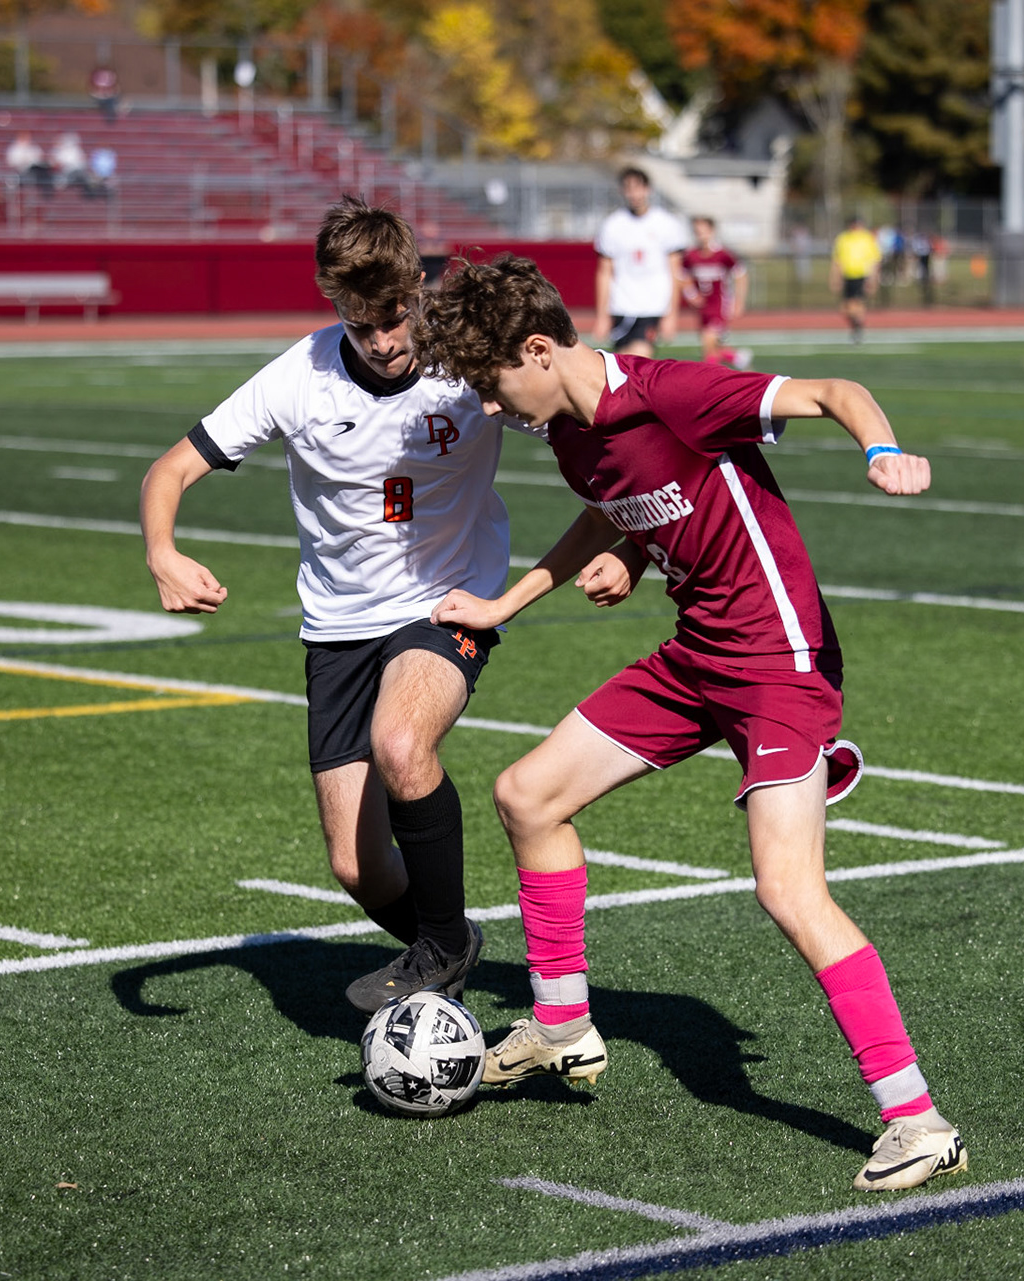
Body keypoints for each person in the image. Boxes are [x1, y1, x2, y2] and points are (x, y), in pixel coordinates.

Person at [415, 254, 968, 1195]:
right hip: (698, 657)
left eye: (493, 382)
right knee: (528, 794)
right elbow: (614, 511)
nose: (492, 406)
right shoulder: (569, 431)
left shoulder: (673, 392)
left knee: (789, 891)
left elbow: (837, 388)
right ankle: (560, 1022)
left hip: (778, 665)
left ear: (540, 349)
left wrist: (882, 450)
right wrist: (528, 595)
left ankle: (917, 1118)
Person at [139, 198, 526, 1014]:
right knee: (356, 866)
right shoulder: (298, 376)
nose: (384, 342)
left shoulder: (468, 362)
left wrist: (623, 534)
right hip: (339, 625)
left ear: (417, 289)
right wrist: (162, 551)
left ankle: (444, 944)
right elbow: (170, 469)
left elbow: (580, 406)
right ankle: (447, 946)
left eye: (395, 319)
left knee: (400, 740)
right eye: (362, 325)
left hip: (447, 600)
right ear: (335, 308)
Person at [592, 166, 689, 358]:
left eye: (638, 188)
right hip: (621, 305)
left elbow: (676, 272)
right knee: (622, 365)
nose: (634, 194)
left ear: (648, 189)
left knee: (641, 359)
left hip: (653, 307)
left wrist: (672, 314)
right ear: (623, 191)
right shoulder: (613, 225)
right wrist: (602, 315)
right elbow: (604, 272)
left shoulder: (666, 223)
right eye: (628, 188)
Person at [679, 214, 750, 368]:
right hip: (702, 307)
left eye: (704, 231)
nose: (701, 235)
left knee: (708, 346)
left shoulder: (722, 254)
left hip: (719, 305)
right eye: (697, 232)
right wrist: (691, 295)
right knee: (712, 346)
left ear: (712, 231)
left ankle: (711, 381)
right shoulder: (691, 255)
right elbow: (682, 277)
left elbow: (741, 274)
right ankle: (736, 357)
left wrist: (739, 300)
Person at [830, 215, 880, 341]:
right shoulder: (843, 239)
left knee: (857, 304)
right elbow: (837, 260)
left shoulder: (867, 238)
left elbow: (874, 260)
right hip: (847, 275)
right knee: (845, 308)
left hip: (861, 275)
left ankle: (858, 328)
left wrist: (873, 278)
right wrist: (835, 278)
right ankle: (857, 325)